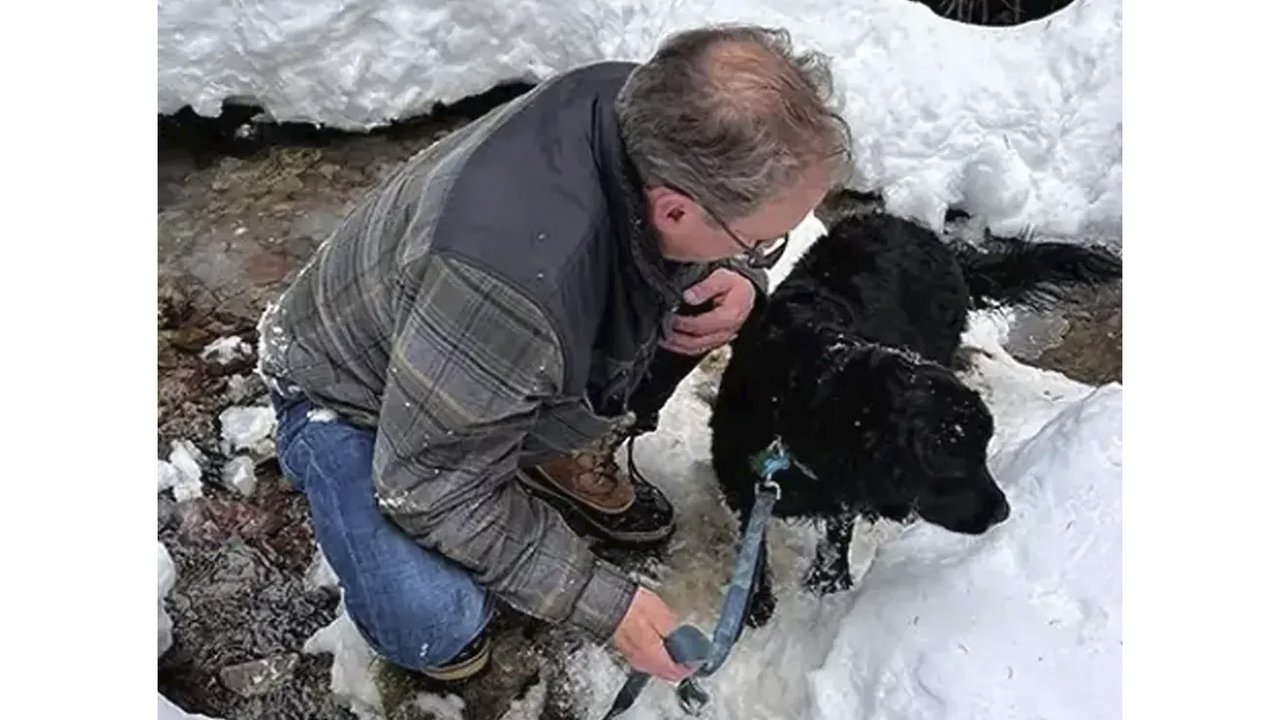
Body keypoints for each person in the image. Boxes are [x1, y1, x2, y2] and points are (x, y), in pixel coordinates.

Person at [256, 24, 849, 684]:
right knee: (435, 621)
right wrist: (612, 608)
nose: (764, 252)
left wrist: (741, 274)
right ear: (676, 211)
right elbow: (428, 491)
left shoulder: (655, 110)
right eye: (764, 241)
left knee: (701, 296)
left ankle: (537, 449)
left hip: (474, 344)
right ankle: (330, 457)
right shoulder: (508, 289)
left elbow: (695, 238)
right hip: (350, 393)